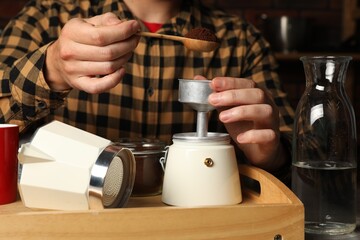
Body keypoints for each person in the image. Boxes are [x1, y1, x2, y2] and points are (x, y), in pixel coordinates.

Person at [0, 0, 294, 184]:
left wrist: (272, 156)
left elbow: (309, 162)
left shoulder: (240, 40)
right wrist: (52, 68)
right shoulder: (45, 18)